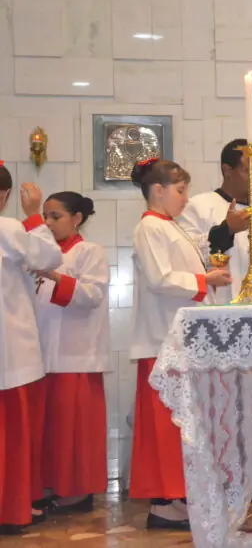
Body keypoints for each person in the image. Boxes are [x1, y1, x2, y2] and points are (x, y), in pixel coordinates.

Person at [177, 138, 252, 497]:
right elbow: (192, 254)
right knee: (225, 402)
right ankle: (223, 475)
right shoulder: (199, 206)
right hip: (222, 319)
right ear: (227, 170)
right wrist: (226, 231)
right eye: (249, 169)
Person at [129, 158, 231, 529]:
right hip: (161, 341)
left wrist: (208, 275)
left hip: (179, 340)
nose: (185, 199)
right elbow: (161, 278)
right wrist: (206, 280)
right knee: (166, 425)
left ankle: (179, 498)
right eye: (181, 190)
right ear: (158, 190)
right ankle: (166, 503)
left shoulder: (170, 227)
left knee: (181, 424)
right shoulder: (150, 227)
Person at [31, 192, 110, 514]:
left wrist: (54, 275)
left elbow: (91, 295)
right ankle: (52, 486)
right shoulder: (39, 253)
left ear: (76, 219)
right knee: (51, 429)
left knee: (75, 430)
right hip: (42, 356)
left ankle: (77, 492)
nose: (48, 223)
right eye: (45, 217)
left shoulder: (90, 251)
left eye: (55, 217)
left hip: (77, 355)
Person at [0, 164, 61, 534]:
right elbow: (51, 258)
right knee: (13, 434)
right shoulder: (8, 228)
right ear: (4, 197)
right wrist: (35, 216)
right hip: (10, 349)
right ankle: (11, 508)